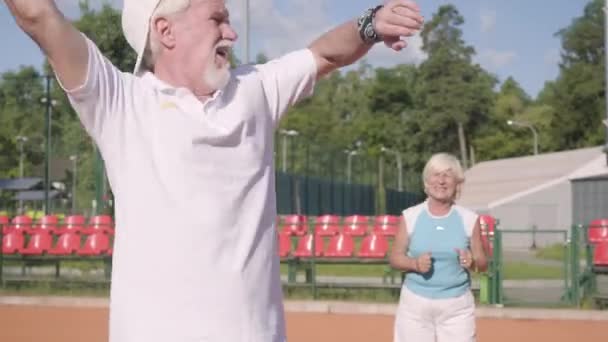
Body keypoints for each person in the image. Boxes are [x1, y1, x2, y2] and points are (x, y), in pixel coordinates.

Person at [5, 0, 424, 341]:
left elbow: (325, 52)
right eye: (217, 19)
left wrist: (371, 22)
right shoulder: (121, 103)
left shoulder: (255, 88)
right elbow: (38, 15)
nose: (232, 32)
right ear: (165, 31)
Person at [389, 153, 488, 342]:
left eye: (447, 175)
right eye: (436, 175)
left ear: (456, 183)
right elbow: (395, 258)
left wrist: (472, 261)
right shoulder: (410, 216)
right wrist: (415, 264)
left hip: (457, 307)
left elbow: (483, 264)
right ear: (426, 181)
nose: (441, 181)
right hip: (414, 305)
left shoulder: (469, 219)